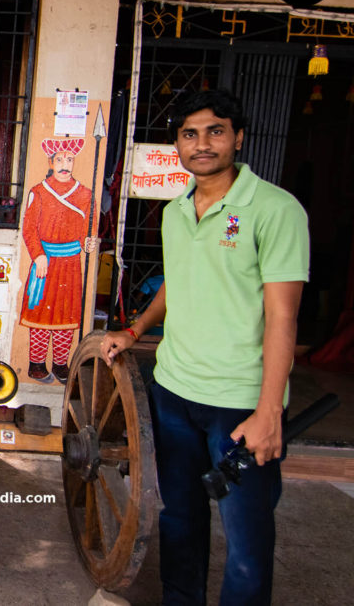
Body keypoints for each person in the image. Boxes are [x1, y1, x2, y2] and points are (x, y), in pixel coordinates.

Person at [101, 89, 308, 605]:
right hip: (172, 391)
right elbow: (179, 280)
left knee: (246, 544)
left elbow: (284, 316)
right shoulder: (176, 212)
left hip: (238, 402)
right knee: (178, 518)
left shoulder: (276, 210)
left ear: (238, 137)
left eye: (216, 130)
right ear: (177, 145)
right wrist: (137, 329)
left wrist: (268, 412)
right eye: (189, 134)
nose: (202, 144)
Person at [19, 137, 99, 384]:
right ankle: (36, 364)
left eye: (70, 159)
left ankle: (61, 364)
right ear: (51, 162)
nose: (65, 164)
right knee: (41, 314)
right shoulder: (39, 192)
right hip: (46, 261)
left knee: (66, 314)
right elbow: (29, 229)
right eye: (60, 159)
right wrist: (38, 255)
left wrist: (89, 242)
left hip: (71, 263)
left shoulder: (86, 194)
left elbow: (90, 224)